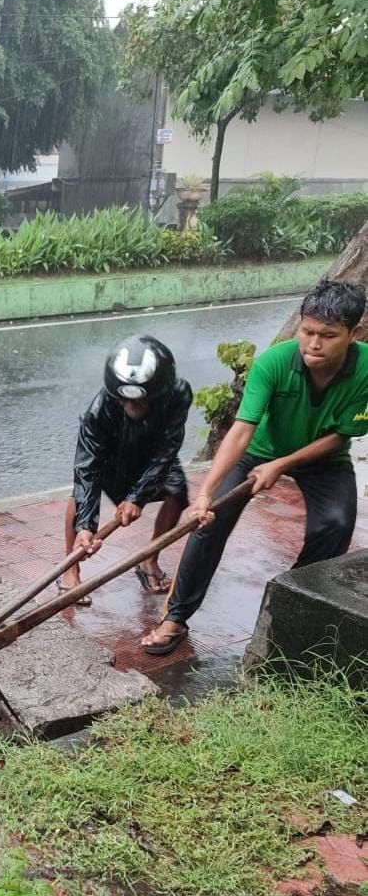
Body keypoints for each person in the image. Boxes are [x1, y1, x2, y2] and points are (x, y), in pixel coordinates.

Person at [142, 279, 368, 656]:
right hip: (259, 450)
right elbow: (241, 430)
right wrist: (206, 495)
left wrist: (283, 465)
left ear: (353, 333)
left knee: (336, 524)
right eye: (307, 331)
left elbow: (341, 436)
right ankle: (175, 618)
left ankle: (294, 605)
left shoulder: (365, 370)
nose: (314, 344)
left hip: (324, 456)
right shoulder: (273, 363)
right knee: (209, 523)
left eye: (328, 336)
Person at [61, 334, 192, 603]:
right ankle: (69, 570)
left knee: (177, 493)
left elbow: (168, 449)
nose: (132, 406)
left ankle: (148, 561)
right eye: (126, 400)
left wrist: (137, 497)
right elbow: (87, 470)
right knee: (79, 496)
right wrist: (87, 526)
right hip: (112, 457)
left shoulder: (178, 394)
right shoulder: (98, 412)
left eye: (140, 401)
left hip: (153, 455)